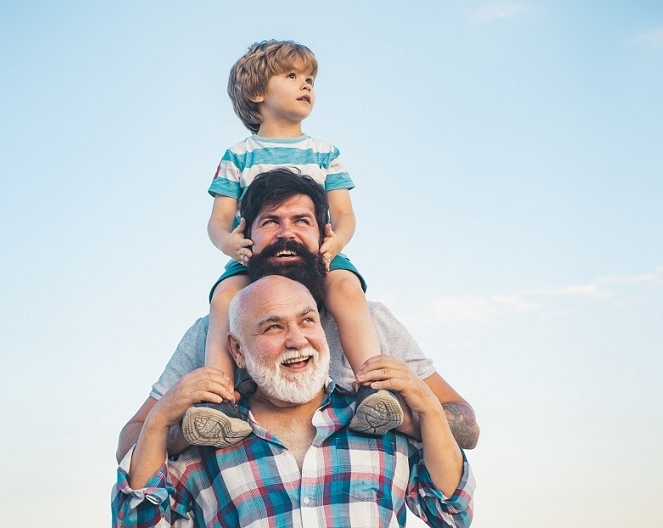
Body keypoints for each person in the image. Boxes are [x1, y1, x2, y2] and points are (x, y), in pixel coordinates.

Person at [117, 169, 480, 461]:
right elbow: (127, 446)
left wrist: (408, 415)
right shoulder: (212, 332)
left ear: (325, 234)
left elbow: (468, 428)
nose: (286, 233)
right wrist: (180, 427)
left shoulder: (372, 322)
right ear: (247, 237)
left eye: (301, 221)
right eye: (270, 222)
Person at [112, 275, 475, 528]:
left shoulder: (381, 423)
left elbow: (451, 514)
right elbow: (138, 522)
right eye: (273, 327)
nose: (297, 340)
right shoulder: (203, 446)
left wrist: (427, 406)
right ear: (237, 350)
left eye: (307, 321)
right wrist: (159, 419)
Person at [192, 39, 400, 446]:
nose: (306, 85)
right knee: (224, 299)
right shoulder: (238, 155)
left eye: (309, 79)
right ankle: (217, 402)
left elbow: (343, 213)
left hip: (317, 253)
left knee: (347, 288)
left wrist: (335, 242)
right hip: (255, 257)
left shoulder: (325, 152)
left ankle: (372, 389)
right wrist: (229, 245)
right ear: (257, 93)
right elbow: (218, 220)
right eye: (291, 76)